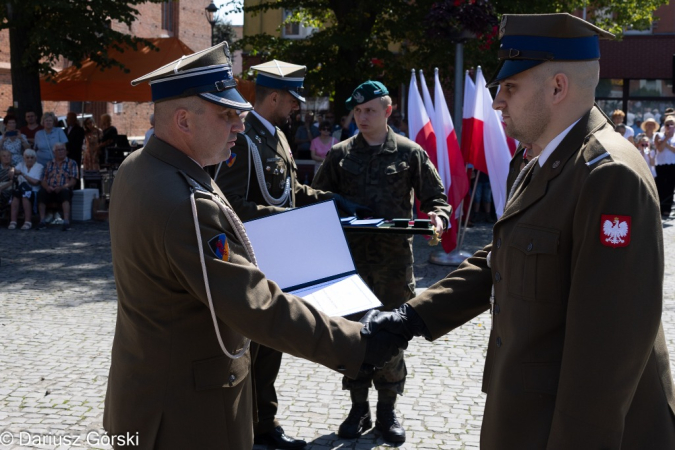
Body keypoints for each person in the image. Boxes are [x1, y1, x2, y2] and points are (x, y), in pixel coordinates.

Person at [361, 13, 675, 449]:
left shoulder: (609, 175)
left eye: (510, 87)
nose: (497, 102)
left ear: (558, 88)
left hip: (570, 426)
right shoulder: (542, 161)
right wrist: (412, 317)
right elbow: (503, 256)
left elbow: (608, 350)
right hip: (527, 410)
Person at [103, 43, 403, 450]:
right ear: (184, 121)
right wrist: (357, 341)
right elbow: (256, 305)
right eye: (227, 115)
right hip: (185, 415)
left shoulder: (140, 167)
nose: (239, 126)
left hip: (152, 393)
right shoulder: (186, 203)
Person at [211, 59, 369, 449]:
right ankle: (246, 425)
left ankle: (265, 423)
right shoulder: (242, 140)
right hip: (255, 256)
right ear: (275, 97)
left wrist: (329, 200)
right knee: (253, 343)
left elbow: (293, 190)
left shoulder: (278, 137)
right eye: (293, 99)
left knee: (274, 343)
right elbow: (228, 205)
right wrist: (289, 217)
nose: (297, 106)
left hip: (281, 255)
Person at [311, 80, 451, 444]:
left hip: (393, 268)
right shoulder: (340, 155)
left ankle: (387, 413)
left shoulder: (409, 152)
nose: (362, 117)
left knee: (389, 339)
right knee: (354, 338)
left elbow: (437, 199)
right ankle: (359, 409)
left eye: (369, 110)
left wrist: (437, 218)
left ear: (388, 111)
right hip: (350, 267)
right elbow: (316, 198)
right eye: (357, 111)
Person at [36, 143, 79, 231]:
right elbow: (43, 179)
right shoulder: (48, 164)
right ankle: (42, 221)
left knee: (65, 193)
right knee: (41, 192)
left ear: (66, 151)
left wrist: (62, 187)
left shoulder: (72, 163)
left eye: (62, 149)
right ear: (54, 152)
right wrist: (47, 187)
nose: (60, 152)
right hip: (50, 189)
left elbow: (73, 180)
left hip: (64, 188)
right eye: (58, 150)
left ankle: (66, 222)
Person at [9, 149, 43, 229]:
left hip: (34, 190)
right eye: (27, 157)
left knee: (25, 195)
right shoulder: (21, 164)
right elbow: (12, 171)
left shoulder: (39, 167)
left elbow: (35, 182)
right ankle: (13, 221)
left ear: (35, 158)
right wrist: (12, 171)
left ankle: (28, 221)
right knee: (16, 195)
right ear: (24, 158)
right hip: (21, 189)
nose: (29, 159)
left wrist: (22, 174)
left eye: (32, 157)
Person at [654, 115, 675, 219]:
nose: (669, 126)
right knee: (660, 186)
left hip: (672, 165)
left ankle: (667, 209)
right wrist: (667, 137)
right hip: (661, 165)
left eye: (672, 124)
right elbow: (660, 149)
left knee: (670, 187)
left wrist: (666, 142)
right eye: (667, 124)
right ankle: (660, 208)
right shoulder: (658, 135)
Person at [0, 148, 14, 218]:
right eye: (4, 156)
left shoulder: (12, 168)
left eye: (8, 156)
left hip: (7, 188)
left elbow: (12, 181)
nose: (6, 157)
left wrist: (1, 188)